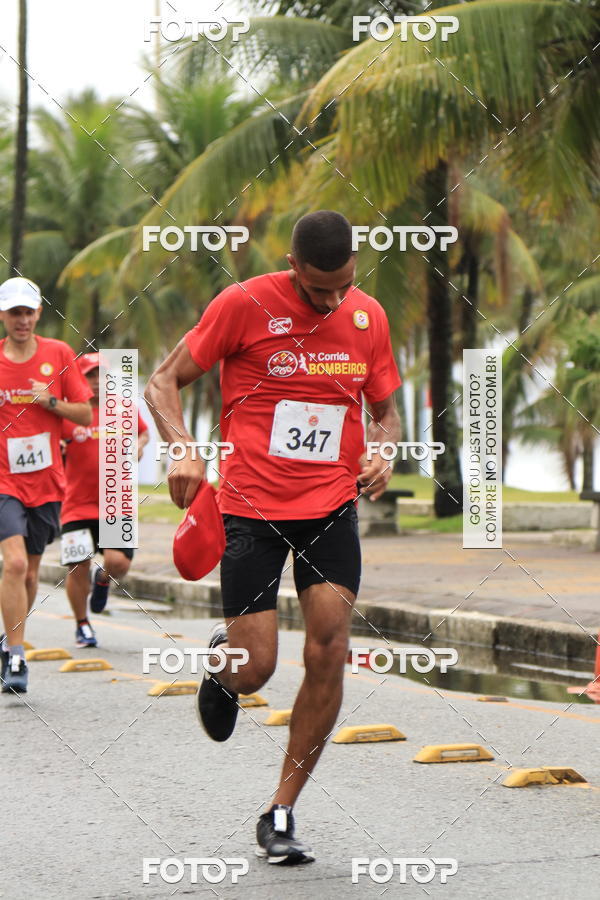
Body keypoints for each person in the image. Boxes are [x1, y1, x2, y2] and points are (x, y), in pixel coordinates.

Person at [144, 210, 401, 864]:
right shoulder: (244, 304)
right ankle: (223, 667)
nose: (333, 301)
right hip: (251, 507)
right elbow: (163, 380)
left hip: (329, 510)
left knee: (329, 647)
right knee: (255, 667)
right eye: (320, 292)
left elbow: (387, 412)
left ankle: (280, 810)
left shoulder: (367, 318)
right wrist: (183, 451)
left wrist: (384, 452)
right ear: (293, 270)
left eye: (344, 285)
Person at [0, 276, 92, 694]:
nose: (22, 320)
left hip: (47, 481)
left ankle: (9, 640)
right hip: (4, 478)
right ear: (3, 315)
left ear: (38, 313)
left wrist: (48, 401)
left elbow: (86, 415)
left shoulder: (59, 354)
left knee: (32, 571)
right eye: (14, 312)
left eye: (28, 311)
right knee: (15, 564)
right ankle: (17, 655)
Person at [60, 352, 149, 647]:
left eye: (101, 375)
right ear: (79, 380)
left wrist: (139, 444)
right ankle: (82, 624)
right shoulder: (70, 413)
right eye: (89, 376)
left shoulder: (123, 408)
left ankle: (104, 579)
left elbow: (144, 433)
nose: (96, 382)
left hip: (116, 502)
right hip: (76, 504)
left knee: (118, 562)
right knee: (77, 564)